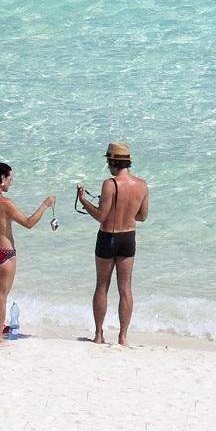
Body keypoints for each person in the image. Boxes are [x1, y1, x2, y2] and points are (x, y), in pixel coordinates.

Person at [73, 141, 149, 345]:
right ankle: (123, 336)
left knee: (102, 286)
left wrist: (83, 200)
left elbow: (100, 215)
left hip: (108, 236)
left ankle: (99, 334)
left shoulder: (110, 183)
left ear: (114, 161)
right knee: (125, 288)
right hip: (128, 237)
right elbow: (142, 216)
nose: (108, 164)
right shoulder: (141, 185)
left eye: (108, 160)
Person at [0, 160, 52, 343]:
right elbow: (29, 223)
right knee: (1, 298)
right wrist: (46, 205)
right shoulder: (6, 204)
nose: (11, 182)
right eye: (9, 179)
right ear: (1, 179)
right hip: (5, 254)